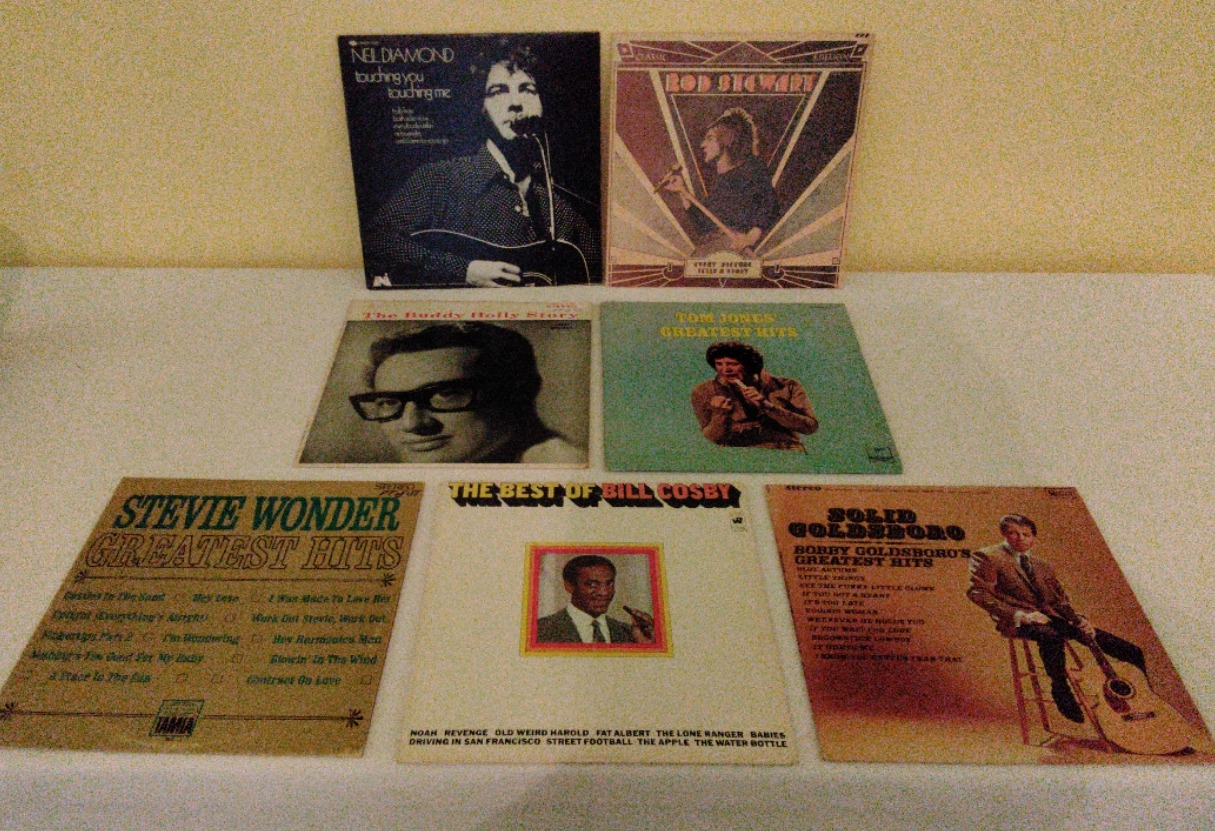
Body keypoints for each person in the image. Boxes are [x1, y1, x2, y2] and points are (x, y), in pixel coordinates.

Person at [364, 40, 599, 287]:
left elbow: (598, 275)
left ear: (542, 103)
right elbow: (376, 240)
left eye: (527, 89)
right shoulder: (442, 179)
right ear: (482, 108)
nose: (515, 102)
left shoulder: (562, 208)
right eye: (498, 91)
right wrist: (462, 271)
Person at [966, 513, 1150, 724]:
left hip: (1054, 619)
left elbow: (1059, 600)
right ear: (1004, 535)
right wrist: (1021, 616)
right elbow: (978, 593)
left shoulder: (1042, 565)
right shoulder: (988, 557)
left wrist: (1079, 620)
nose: (1020, 538)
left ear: (1033, 538)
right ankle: (1060, 688)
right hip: (1018, 621)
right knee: (1051, 636)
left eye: (1026, 534)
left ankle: (1146, 703)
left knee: (1133, 652)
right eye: (1014, 533)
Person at [348, 322, 585, 464]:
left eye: (446, 394)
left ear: (519, 392)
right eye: (389, 402)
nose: (412, 424)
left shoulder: (564, 466)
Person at [658, 107, 781, 256]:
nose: (702, 145)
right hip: (715, 250)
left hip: (737, 254)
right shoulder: (721, 182)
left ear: (727, 139)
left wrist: (750, 237)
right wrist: (682, 191)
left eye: (710, 138)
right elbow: (703, 226)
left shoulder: (752, 168)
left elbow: (769, 204)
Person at [690, 341, 818, 451]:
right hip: (735, 455)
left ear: (749, 365)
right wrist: (720, 414)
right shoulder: (704, 391)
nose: (725, 369)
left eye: (733, 364)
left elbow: (810, 427)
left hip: (785, 451)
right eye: (719, 364)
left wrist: (768, 407)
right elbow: (713, 439)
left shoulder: (787, 386)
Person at [536, 555, 654, 644]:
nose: (604, 592)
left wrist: (647, 646)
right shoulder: (540, 630)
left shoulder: (631, 634)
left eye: (609, 584)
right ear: (569, 586)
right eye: (592, 584)